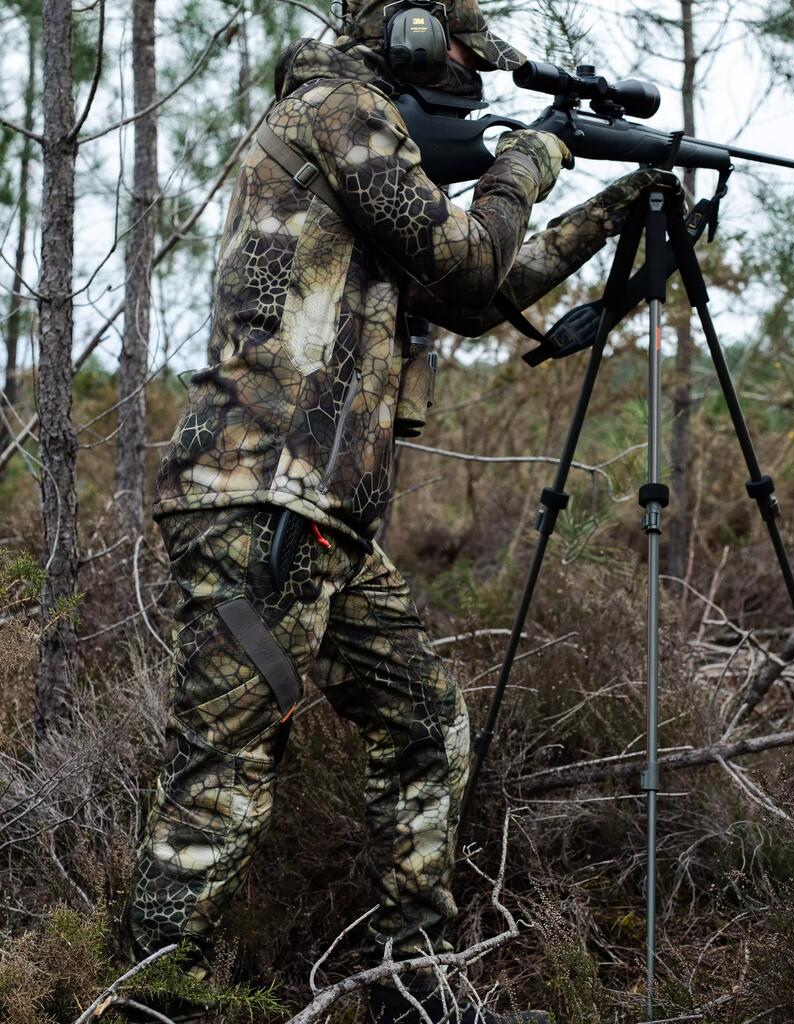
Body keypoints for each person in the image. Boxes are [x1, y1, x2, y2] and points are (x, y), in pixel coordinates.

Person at [127, 1, 676, 1020]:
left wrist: (612, 210)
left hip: (319, 518)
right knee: (220, 785)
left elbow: (471, 292)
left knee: (427, 727)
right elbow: (466, 254)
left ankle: (409, 991)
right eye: (467, 53)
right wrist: (537, 155)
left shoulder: (366, 157)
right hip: (260, 505)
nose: (472, 73)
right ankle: (144, 1002)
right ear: (416, 38)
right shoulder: (340, 109)